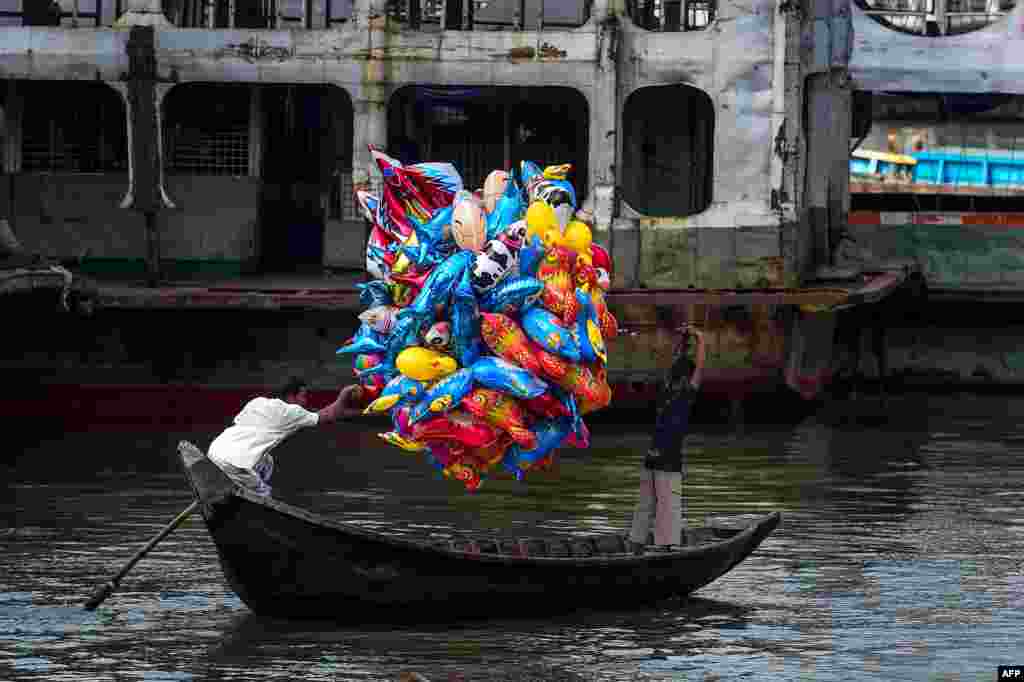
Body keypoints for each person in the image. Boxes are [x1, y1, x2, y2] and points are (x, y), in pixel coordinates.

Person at [207, 377, 364, 496]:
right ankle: (256, 493)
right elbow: (328, 414)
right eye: (303, 396)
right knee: (265, 495)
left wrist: (368, 411)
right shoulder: (292, 412)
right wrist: (344, 395)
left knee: (267, 461)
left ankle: (248, 484)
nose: (305, 401)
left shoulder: (257, 402)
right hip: (235, 465)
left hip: (214, 454)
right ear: (291, 396)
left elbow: (331, 413)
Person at [628, 324, 706, 552]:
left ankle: (635, 546)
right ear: (688, 377)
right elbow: (699, 366)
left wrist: (683, 341)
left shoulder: (666, 390)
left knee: (644, 506)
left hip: (652, 456)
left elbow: (676, 362)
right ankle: (663, 550)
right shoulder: (686, 394)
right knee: (668, 509)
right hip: (668, 460)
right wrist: (700, 339)